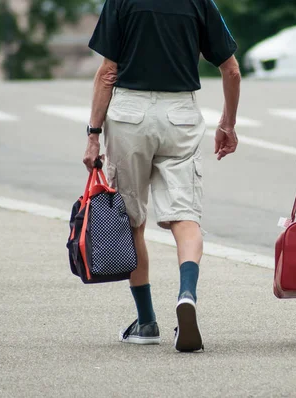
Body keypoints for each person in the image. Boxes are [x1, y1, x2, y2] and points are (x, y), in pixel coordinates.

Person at [83, 0, 241, 352]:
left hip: (129, 116)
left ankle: (146, 321)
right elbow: (231, 70)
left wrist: (93, 136)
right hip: (180, 115)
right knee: (185, 216)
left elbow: (108, 71)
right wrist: (228, 123)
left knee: (132, 221)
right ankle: (187, 294)